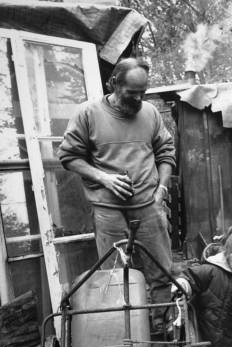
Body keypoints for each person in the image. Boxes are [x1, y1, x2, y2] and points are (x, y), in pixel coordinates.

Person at [57, 58, 176, 329]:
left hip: (148, 205)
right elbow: (68, 156)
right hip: (108, 209)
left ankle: (160, 327)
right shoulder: (88, 113)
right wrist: (104, 178)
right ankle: (125, 335)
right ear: (114, 84)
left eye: (142, 93)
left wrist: (162, 189)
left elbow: (166, 152)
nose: (138, 99)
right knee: (114, 273)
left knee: (161, 270)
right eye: (131, 93)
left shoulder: (150, 113)